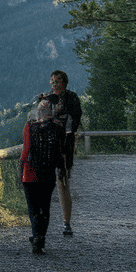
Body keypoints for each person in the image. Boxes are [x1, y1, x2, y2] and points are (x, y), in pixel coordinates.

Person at [20, 84, 69, 254]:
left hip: (30, 173)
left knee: (33, 209)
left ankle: (37, 237)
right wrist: (62, 170)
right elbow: (60, 150)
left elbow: (25, 151)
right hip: (47, 174)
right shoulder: (56, 127)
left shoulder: (29, 126)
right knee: (44, 207)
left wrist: (21, 170)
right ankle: (40, 237)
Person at [46, 70, 83, 236]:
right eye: (53, 81)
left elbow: (74, 122)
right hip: (47, 147)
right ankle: (41, 224)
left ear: (65, 83)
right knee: (45, 185)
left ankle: (67, 223)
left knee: (63, 183)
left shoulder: (72, 98)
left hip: (64, 146)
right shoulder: (46, 100)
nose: (55, 84)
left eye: (58, 81)